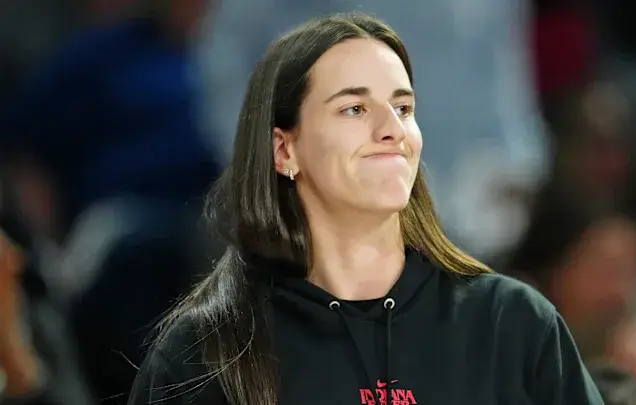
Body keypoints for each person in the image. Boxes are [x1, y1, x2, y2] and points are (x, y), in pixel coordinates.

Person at [128, 12, 603, 405]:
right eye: (353, 109)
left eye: (403, 108)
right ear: (284, 150)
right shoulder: (205, 352)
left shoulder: (513, 323)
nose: (391, 129)